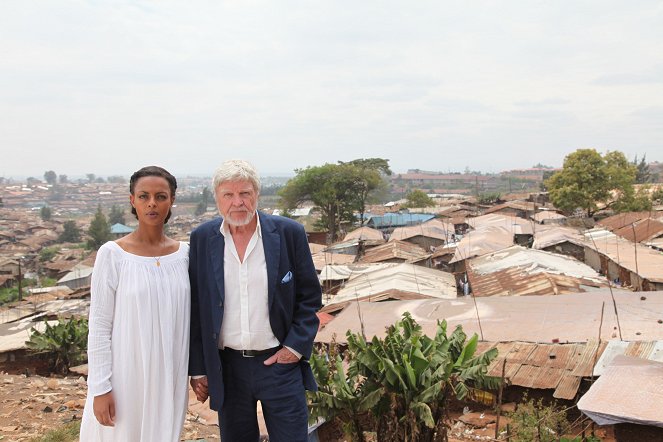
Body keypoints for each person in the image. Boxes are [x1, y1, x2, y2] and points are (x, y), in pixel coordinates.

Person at [189, 159, 322, 442]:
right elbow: (197, 308)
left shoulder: (288, 234)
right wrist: (200, 369)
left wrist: (294, 349)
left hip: (279, 365)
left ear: (257, 195)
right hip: (228, 370)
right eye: (229, 195)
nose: (238, 202)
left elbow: (309, 297)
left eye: (245, 193)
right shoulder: (202, 238)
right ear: (217, 198)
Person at [80, 166, 190, 441]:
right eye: (144, 196)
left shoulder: (185, 255)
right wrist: (100, 388)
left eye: (160, 196)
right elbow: (100, 326)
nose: (152, 203)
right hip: (124, 378)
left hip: (169, 377)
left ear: (172, 200)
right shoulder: (113, 255)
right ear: (132, 201)